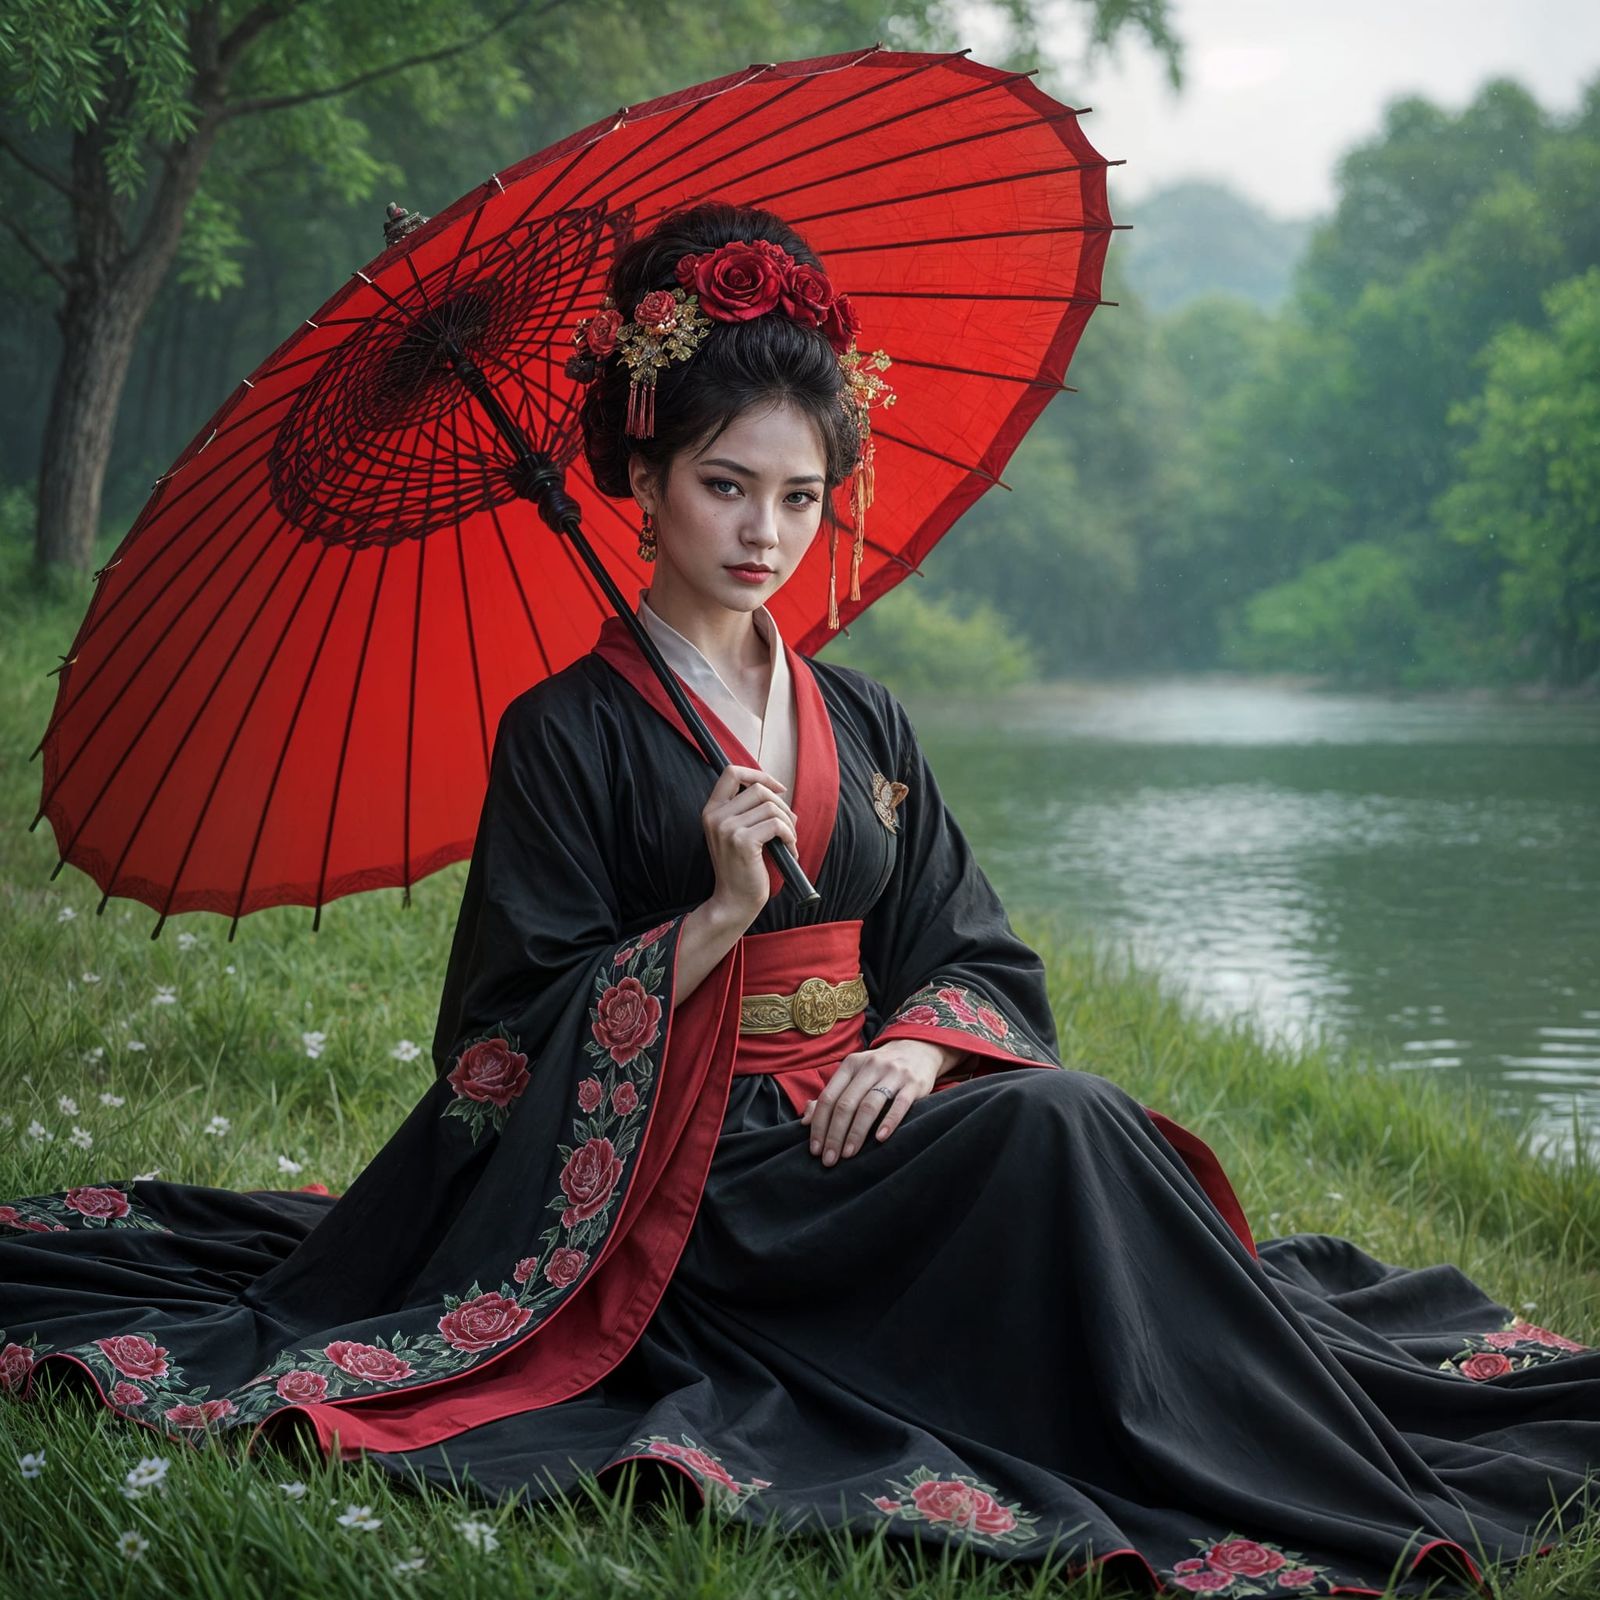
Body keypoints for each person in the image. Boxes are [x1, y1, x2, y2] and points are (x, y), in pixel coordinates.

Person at [3, 201, 1599, 1599]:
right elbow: (496, 1051)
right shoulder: (561, 732)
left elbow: (968, 944)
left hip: (873, 1117)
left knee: (1064, 1124)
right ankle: (1247, 1449)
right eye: (721, 487)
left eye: (797, 496)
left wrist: (921, 1049)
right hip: (705, 1186)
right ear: (641, 473)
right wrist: (707, 916)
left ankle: (1269, 1416)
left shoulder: (868, 723)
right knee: (1062, 1136)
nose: (763, 533)